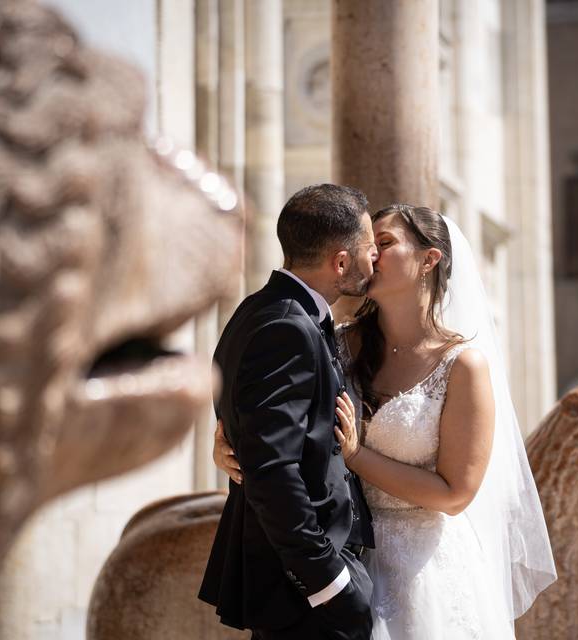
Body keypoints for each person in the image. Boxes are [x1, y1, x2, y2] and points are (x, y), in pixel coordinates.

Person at [215, 204, 557, 638]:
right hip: (337, 554)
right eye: (368, 244)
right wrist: (228, 443)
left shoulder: (462, 366)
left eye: (385, 243)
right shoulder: (334, 341)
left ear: (428, 260)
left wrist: (357, 455)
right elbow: (273, 420)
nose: (371, 255)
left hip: (422, 569)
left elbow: (454, 494)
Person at [199, 184, 380, 640]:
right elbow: (273, 471)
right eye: (369, 249)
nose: (374, 259)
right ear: (340, 262)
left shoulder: (259, 311)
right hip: (304, 596)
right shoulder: (286, 328)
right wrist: (329, 584)